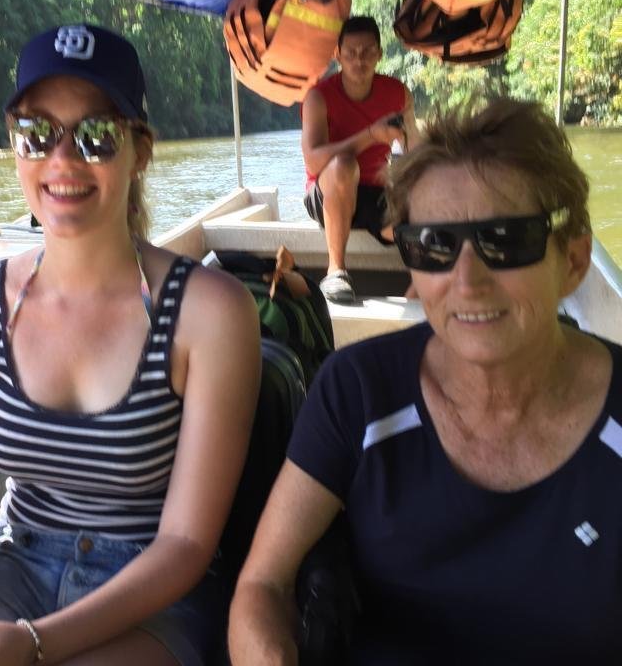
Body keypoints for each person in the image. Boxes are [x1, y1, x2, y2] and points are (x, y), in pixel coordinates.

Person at [0, 23, 261, 666]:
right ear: (15, 146)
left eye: (96, 135)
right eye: (37, 133)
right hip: (15, 561)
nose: (63, 159)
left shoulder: (209, 312)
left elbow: (186, 543)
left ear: (140, 150)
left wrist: (35, 643)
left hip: (150, 585)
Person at [229, 97, 622, 664]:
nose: (467, 281)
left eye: (505, 240)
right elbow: (263, 584)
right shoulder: (357, 391)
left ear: (575, 262)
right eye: (435, 245)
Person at [300, 15, 420, 303]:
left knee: (425, 206)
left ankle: (420, 286)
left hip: (376, 194)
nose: (359, 60)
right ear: (338, 55)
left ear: (379, 54)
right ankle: (336, 271)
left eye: (367, 52)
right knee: (344, 165)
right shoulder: (318, 97)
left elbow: (416, 152)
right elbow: (314, 163)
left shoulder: (398, 93)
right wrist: (371, 135)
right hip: (328, 193)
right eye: (351, 52)